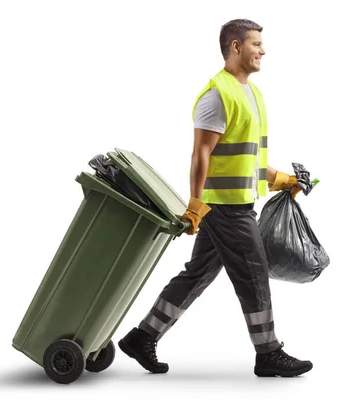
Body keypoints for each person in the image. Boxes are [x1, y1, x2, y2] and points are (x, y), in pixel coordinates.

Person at [118, 18, 312, 378]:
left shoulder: (251, 94)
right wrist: (195, 204)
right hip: (224, 207)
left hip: (235, 202)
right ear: (236, 47)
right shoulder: (217, 94)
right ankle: (268, 352)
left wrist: (283, 180)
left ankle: (141, 336)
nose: (263, 50)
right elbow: (200, 154)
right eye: (256, 44)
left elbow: (248, 158)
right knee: (254, 274)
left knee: (198, 273)